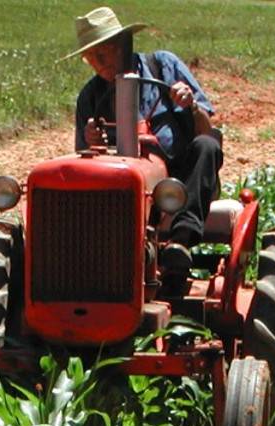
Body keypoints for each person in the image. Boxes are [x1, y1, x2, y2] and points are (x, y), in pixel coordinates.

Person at [63, 6, 223, 277]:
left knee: (206, 147)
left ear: (121, 46)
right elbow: (84, 161)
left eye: (101, 54)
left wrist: (191, 105)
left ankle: (181, 242)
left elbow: (207, 132)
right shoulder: (90, 97)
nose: (98, 65)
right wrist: (93, 143)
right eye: (90, 59)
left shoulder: (163, 66)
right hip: (120, 186)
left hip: (180, 180)